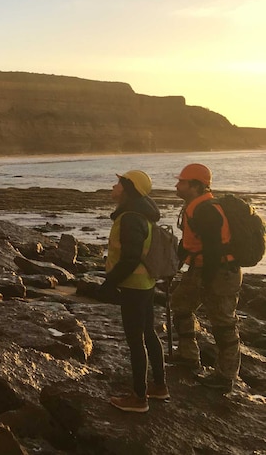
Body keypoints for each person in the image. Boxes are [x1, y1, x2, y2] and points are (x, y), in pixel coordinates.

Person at [100, 170, 168, 412]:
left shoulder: (130, 217)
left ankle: (139, 398)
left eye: (119, 183)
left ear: (129, 189)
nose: (114, 186)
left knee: (135, 340)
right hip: (145, 283)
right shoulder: (142, 214)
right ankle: (159, 387)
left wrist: (109, 283)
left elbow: (130, 257)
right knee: (148, 333)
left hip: (133, 286)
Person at [172, 163, 242, 393]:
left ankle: (225, 376)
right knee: (181, 305)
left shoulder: (207, 210)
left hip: (220, 272)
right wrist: (175, 266)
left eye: (181, 182)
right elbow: (190, 243)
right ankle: (188, 356)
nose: (177, 185)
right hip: (201, 269)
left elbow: (213, 249)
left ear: (195, 185)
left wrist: (207, 280)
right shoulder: (195, 206)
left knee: (223, 323)